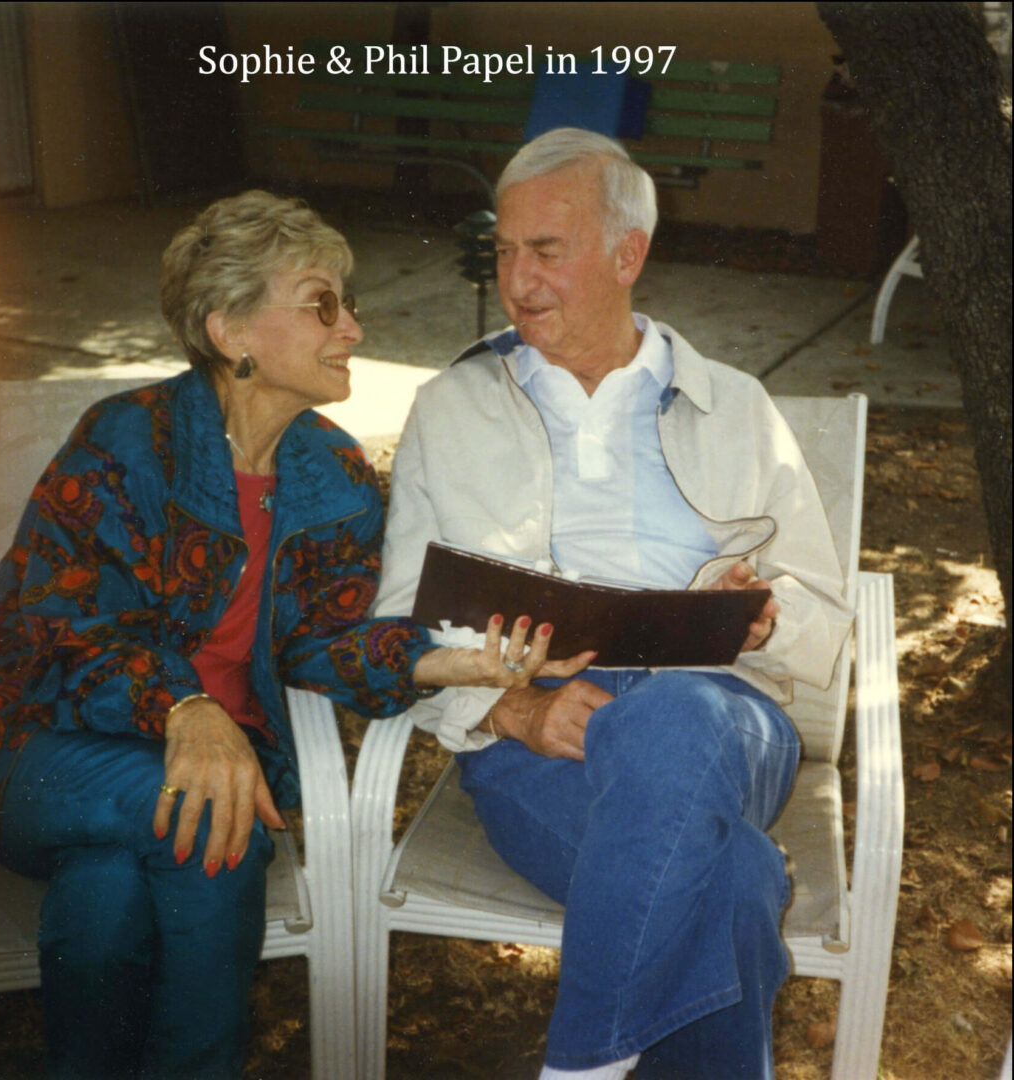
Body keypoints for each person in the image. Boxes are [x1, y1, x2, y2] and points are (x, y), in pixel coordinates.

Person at [0, 190, 585, 1080]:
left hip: (209, 764)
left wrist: (450, 660)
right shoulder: (128, 440)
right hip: (32, 741)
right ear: (229, 326)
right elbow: (70, 630)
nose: (351, 325)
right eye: (321, 303)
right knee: (214, 823)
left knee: (111, 897)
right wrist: (189, 709)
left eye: (346, 302)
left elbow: (325, 639)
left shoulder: (335, 473)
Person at [373, 128, 854, 1080]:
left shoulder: (737, 406)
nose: (517, 279)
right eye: (503, 251)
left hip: (723, 715)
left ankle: (581, 1058)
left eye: (545, 251)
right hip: (538, 738)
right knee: (735, 881)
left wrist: (765, 616)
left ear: (626, 253)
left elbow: (824, 622)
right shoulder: (450, 407)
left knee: (675, 715)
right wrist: (511, 709)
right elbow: (400, 619)